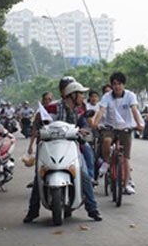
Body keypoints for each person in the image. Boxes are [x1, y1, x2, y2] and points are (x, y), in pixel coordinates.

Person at [23, 80, 102, 223]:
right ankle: (32, 211)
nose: (83, 97)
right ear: (72, 95)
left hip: (71, 148)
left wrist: (84, 130)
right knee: (39, 176)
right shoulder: (53, 108)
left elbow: (84, 127)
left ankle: (92, 209)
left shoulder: (79, 112)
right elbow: (39, 123)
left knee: (83, 175)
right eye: (81, 94)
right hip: (51, 147)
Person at [92, 72, 144, 195]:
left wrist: (139, 124)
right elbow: (101, 111)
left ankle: (126, 185)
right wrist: (95, 123)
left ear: (123, 85)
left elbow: (135, 110)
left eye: (119, 84)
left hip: (125, 128)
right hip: (110, 128)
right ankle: (106, 161)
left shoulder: (130, 96)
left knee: (125, 158)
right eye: (114, 84)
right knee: (106, 141)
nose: (117, 87)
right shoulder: (107, 97)